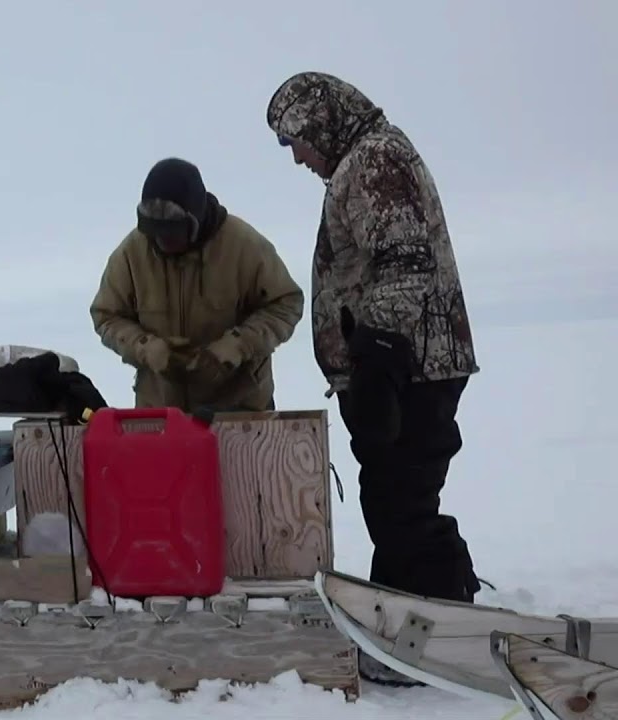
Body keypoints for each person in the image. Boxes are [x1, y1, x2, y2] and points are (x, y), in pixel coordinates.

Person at [264, 72, 482, 614]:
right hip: (404, 366)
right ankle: (420, 611)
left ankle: (430, 621)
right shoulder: (361, 162)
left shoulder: (373, 161)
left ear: (320, 123)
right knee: (395, 498)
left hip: (412, 369)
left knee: (400, 500)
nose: (297, 159)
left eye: (297, 142)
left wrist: (377, 360)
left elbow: (405, 263)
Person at [90, 157, 304, 415]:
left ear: (196, 220)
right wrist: (145, 347)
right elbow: (106, 316)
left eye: (173, 232)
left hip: (239, 411)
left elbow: (286, 303)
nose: (163, 240)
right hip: (161, 414)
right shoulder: (131, 254)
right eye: (155, 232)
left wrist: (236, 346)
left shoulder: (243, 246)